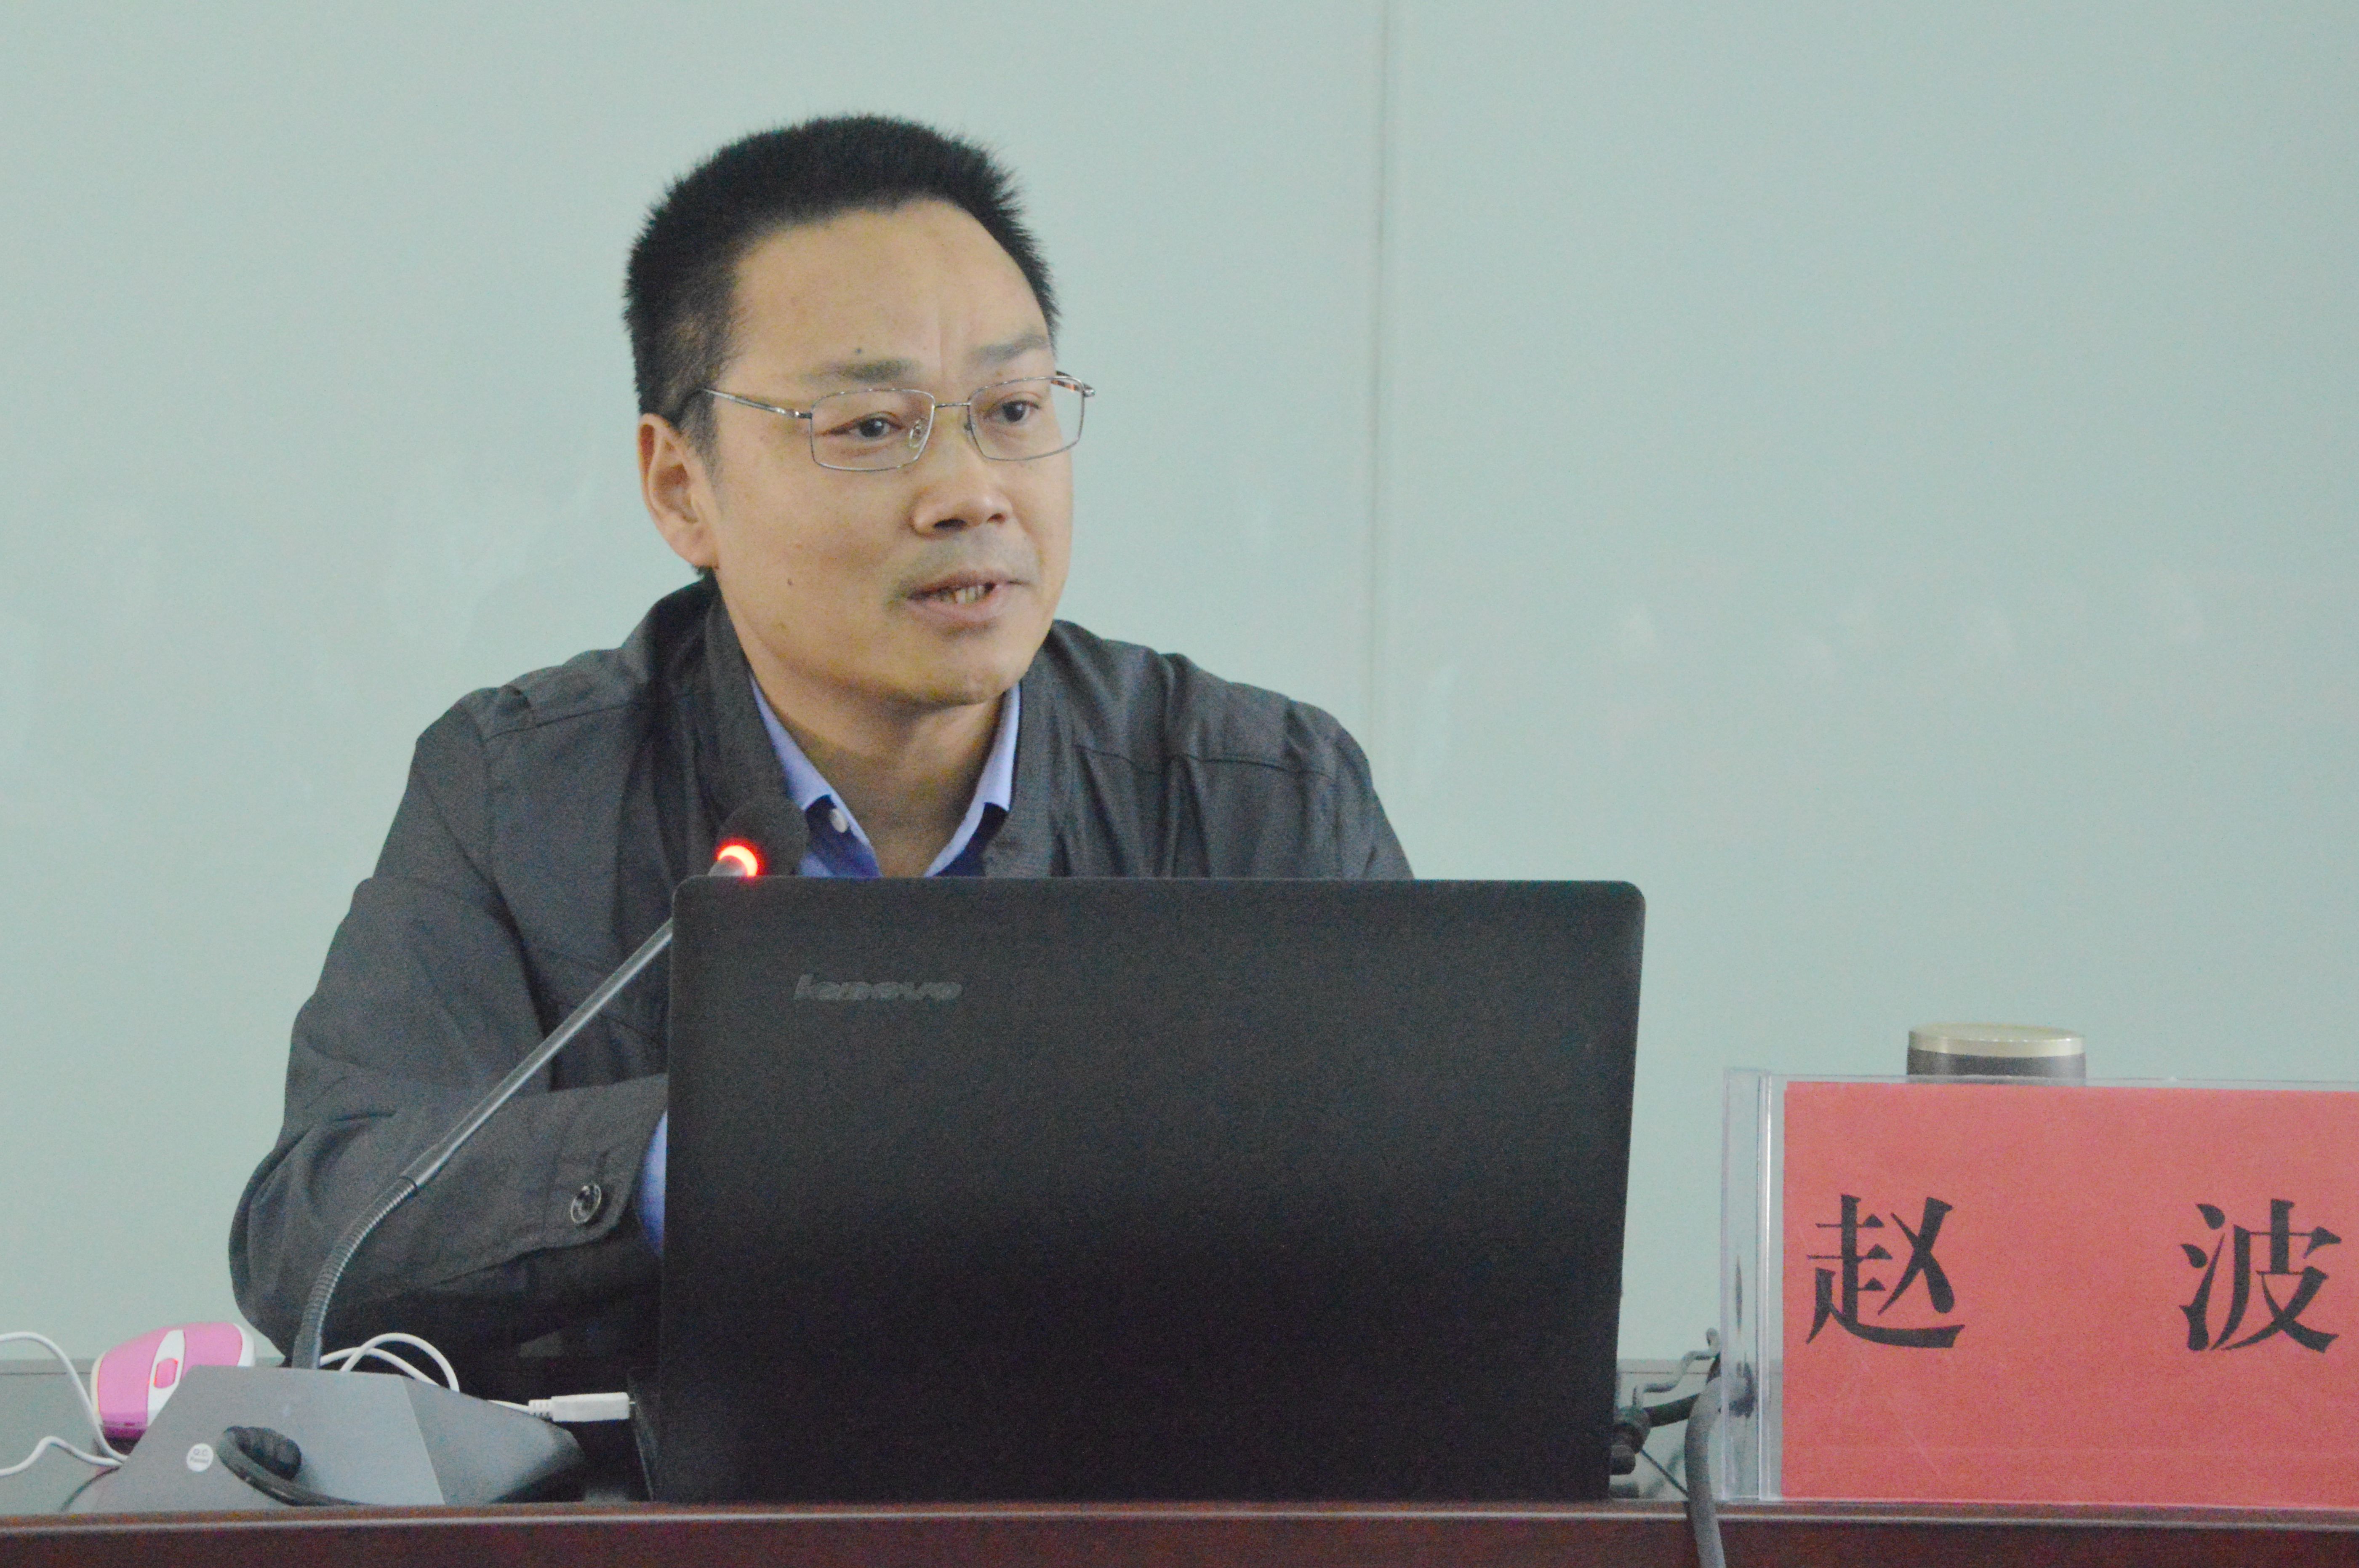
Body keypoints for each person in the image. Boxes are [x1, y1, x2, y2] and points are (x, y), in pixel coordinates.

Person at [230, 115, 1408, 1368]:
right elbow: (320, 1237)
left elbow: (1432, 1248)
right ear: (682, 488)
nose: (971, 490)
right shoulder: (525, 794)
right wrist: (716, 1149)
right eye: (870, 428)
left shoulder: (1260, 798)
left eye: (1013, 409)